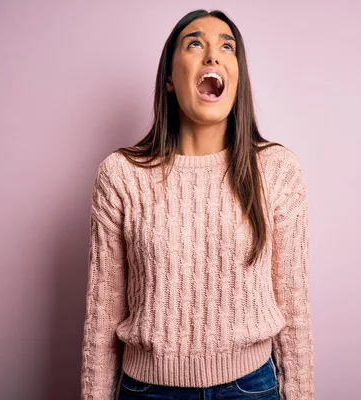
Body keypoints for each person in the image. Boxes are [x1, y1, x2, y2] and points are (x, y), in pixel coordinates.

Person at [80, 9, 314, 400]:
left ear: (238, 78)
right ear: (169, 79)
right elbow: (101, 322)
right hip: (147, 391)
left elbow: (294, 313)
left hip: (251, 388)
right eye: (194, 43)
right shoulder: (120, 175)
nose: (213, 55)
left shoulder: (277, 170)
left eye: (227, 46)